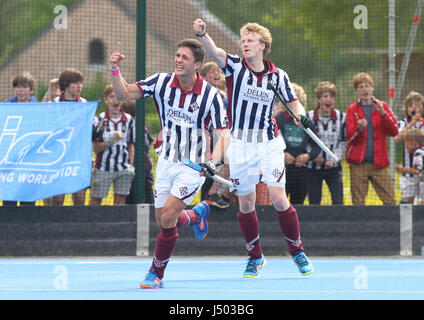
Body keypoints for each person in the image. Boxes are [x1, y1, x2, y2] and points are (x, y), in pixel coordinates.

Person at [194, 18, 314, 277]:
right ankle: (255, 257)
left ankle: (297, 251)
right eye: (243, 40)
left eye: (250, 40)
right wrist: (203, 35)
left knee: (279, 198)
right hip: (240, 144)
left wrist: (301, 115)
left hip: (269, 143)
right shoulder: (235, 66)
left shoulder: (278, 76)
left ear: (263, 45)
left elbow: (293, 104)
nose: (244, 44)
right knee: (246, 203)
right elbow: (214, 52)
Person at [109, 39, 229, 288]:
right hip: (166, 163)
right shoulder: (161, 82)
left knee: (168, 217)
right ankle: (196, 215)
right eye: (177, 55)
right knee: (163, 219)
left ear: (197, 64)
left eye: (184, 57)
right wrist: (114, 71)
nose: (178, 60)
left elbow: (224, 135)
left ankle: (156, 273)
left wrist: (212, 162)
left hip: (193, 167)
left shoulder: (211, 96)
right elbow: (123, 94)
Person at [345, 72, 398, 205]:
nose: (365, 90)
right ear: (356, 90)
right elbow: (350, 137)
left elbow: (394, 131)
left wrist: (383, 113)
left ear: (372, 88)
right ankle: (360, 226)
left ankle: (390, 225)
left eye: (367, 86)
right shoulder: (352, 109)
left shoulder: (382, 106)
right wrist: (359, 129)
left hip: (379, 163)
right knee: (358, 203)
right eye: (361, 87)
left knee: (390, 200)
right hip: (358, 164)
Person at [42, 69, 88, 206]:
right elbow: (40, 113)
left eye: (81, 83)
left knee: (79, 198)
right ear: (66, 85)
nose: (79, 86)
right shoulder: (55, 103)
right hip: (58, 157)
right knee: (57, 200)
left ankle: (79, 226)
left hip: (77, 158)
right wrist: (50, 91)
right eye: (75, 83)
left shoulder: (85, 104)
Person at [275, 83, 320, 205]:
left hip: (301, 169)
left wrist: (308, 156)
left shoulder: (305, 121)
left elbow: (317, 145)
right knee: (279, 202)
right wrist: (282, 154)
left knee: (298, 204)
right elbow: (270, 142)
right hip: (282, 169)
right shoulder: (278, 119)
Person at [90, 85, 136, 205]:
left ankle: (117, 224)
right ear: (106, 100)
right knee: (95, 201)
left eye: (118, 97)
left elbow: (131, 145)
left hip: (123, 169)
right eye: (111, 97)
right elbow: (95, 148)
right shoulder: (99, 120)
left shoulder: (129, 120)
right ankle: (93, 224)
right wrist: (111, 141)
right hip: (103, 168)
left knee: (120, 202)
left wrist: (130, 165)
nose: (115, 100)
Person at [199, 61, 234, 208]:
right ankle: (209, 196)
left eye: (218, 72)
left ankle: (216, 194)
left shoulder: (224, 96)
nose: (217, 74)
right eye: (213, 71)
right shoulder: (199, 93)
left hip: (220, 136)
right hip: (203, 137)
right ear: (204, 76)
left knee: (230, 162)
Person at [306, 81, 346, 205]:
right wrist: (313, 156)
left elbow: (343, 142)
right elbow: (305, 142)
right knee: (314, 201)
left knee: (338, 201)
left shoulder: (341, 117)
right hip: (313, 168)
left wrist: (334, 159)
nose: (328, 99)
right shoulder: (309, 117)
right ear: (319, 99)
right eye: (325, 96)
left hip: (333, 168)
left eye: (331, 96)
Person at [3, 72, 37, 206]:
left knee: (27, 201)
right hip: (10, 161)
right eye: (18, 86)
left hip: (30, 161)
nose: (21, 90)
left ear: (31, 90)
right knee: (9, 200)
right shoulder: (6, 107)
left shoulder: (38, 107)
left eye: (25, 87)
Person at [120, 100, 155, 205]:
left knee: (145, 203)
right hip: (130, 172)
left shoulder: (136, 126)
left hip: (140, 172)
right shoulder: (137, 126)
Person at [395, 91, 424, 204]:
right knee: (407, 203)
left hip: (422, 173)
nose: (414, 108)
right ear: (407, 108)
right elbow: (397, 138)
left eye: (418, 105)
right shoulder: (403, 123)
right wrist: (412, 123)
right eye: (411, 105)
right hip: (408, 173)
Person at [395, 128, 424, 205]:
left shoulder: (418, 153)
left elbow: (416, 171)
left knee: (420, 206)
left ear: (413, 141)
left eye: (406, 142)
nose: (405, 145)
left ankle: (415, 216)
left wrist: (402, 169)